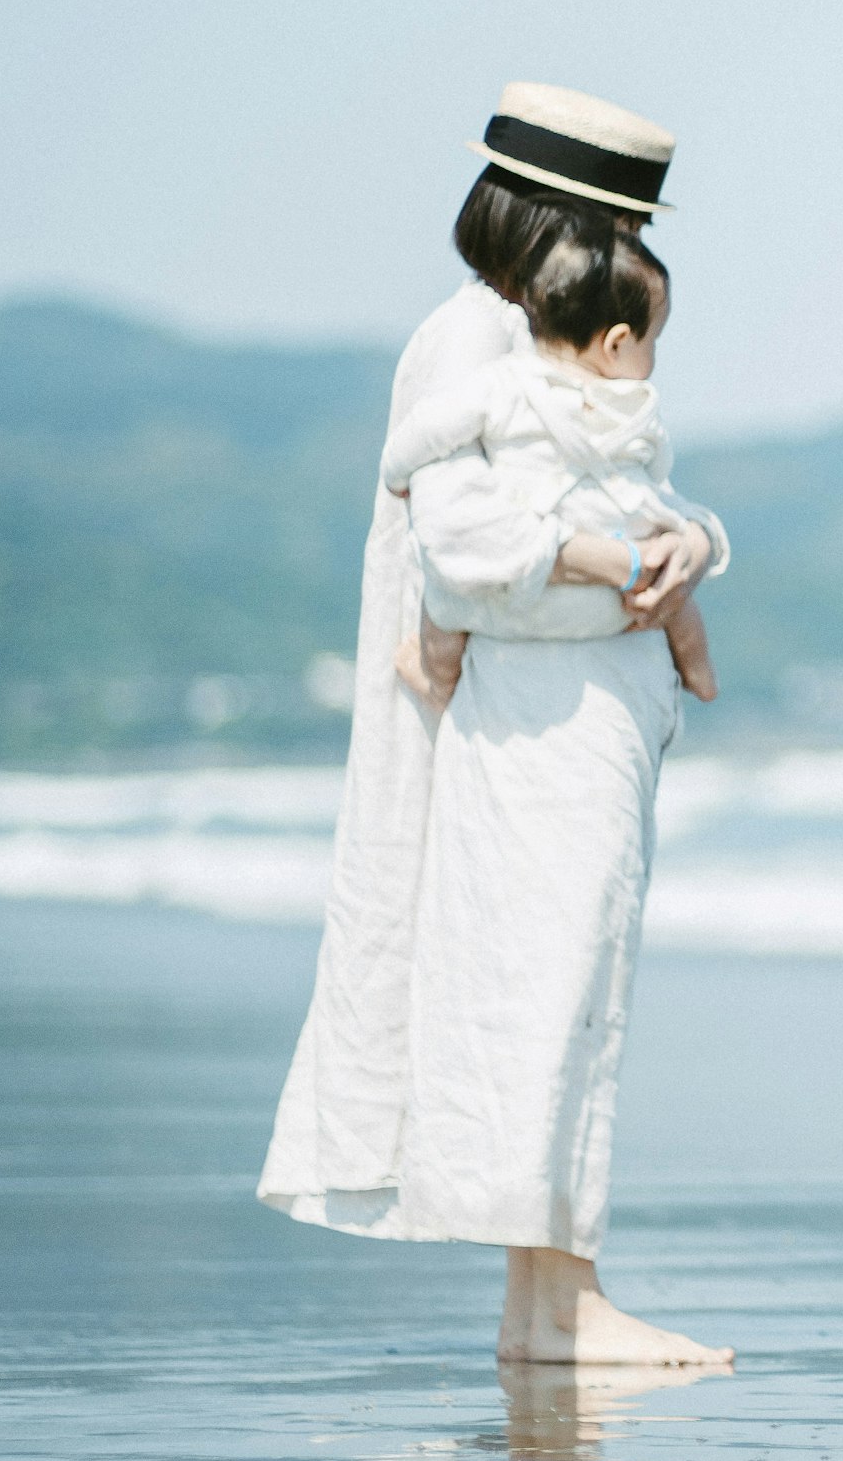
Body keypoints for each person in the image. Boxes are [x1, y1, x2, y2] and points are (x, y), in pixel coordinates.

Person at [258, 82, 728, 1366]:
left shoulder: (513, 337)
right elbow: (469, 542)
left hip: (542, 696)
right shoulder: (479, 344)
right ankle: (562, 1306)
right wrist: (609, 558)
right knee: (547, 981)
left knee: (558, 982)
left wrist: (684, 540)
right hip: (518, 709)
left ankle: (553, 1302)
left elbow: (615, 482)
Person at [381, 224, 724, 714]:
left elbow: (425, 430)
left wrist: (397, 473)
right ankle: (701, 674)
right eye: (653, 342)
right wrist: (689, 534)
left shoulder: (499, 385)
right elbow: (659, 475)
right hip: (616, 604)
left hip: (513, 601)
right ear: (617, 343)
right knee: (682, 609)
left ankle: (438, 685)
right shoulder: (637, 407)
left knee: (439, 606)